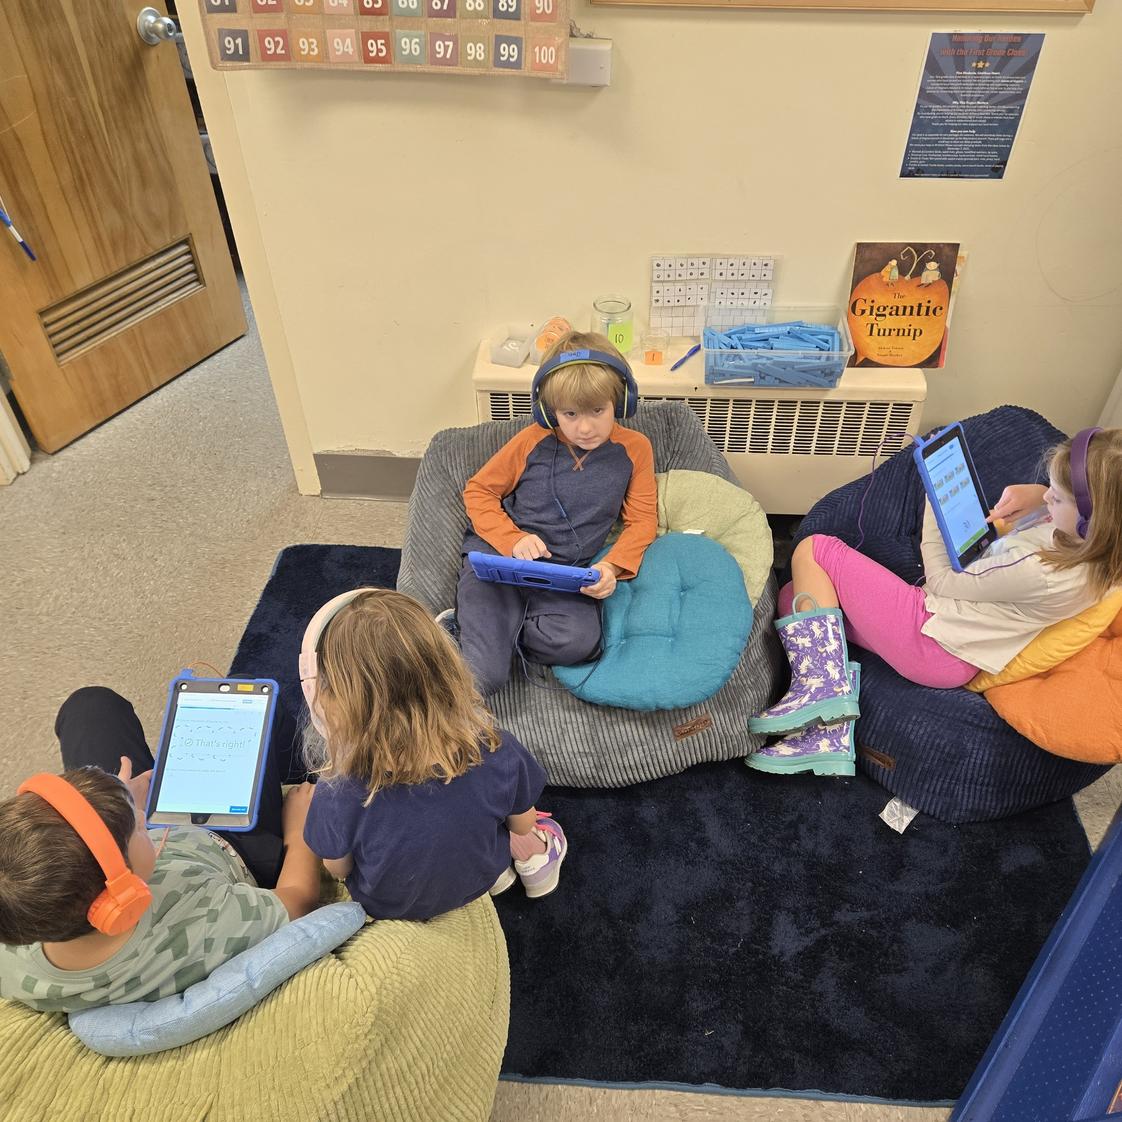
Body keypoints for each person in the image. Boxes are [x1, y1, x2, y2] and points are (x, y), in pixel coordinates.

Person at [747, 426, 1122, 776]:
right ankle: (828, 735)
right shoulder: (1096, 551)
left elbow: (944, 583)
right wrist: (1039, 498)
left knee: (817, 550)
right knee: (796, 596)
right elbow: (1065, 516)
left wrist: (936, 501)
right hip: (949, 638)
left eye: (1057, 496)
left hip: (933, 639)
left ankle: (821, 692)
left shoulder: (1044, 571)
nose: (1048, 496)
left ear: (1094, 519)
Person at [0, 687, 321, 1012]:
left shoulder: (16, 947)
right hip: (228, 844)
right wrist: (299, 830)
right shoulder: (195, 930)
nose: (144, 816)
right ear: (121, 900)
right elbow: (298, 899)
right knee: (245, 699)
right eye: (140, 826)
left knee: (90, 704)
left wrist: (118, 800)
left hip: (110, 843)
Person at [298, 587, 566, 918]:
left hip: (385, 905)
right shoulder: (498, 748)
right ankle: (533, 863)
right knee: (508, 822)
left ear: (330, 700)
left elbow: (337, 868)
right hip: (480, 876)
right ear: (450, 670)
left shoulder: (338, 788)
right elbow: (522, 825)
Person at [450, 330, 658, 695]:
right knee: (484, 679)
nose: (585, 427)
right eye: (570, 414)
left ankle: (490, 631)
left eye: (598, 411)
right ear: (549, 412)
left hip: (563, 576)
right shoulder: (532, 440)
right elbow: (479, 490)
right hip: (499, 561)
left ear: (621, 402)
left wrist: (611, 568)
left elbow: (642, 521)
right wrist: (512, 539)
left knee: (580, 644)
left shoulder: (635, 449)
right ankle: (484, 632)